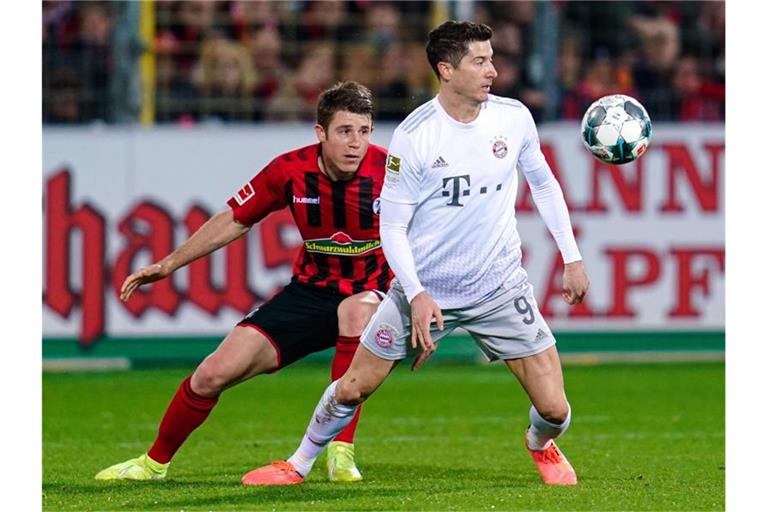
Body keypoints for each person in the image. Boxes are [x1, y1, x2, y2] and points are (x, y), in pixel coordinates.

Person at [242, 21, 590, 487]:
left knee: (555, 409)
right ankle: (299, 462)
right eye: (480, 61)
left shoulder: (513, 117)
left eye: (491, 59)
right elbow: (393, 224)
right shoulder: (417, 135)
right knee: (355, 385)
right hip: (423, 291)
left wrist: (571, 257)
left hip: (499, 287)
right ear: (446, 69)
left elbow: (543, 185)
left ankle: (540, 443)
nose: (493, 69)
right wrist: (417, 293)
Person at [95, 81, 392, 483]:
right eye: (344, 131)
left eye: (364, 131)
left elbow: (433, 234)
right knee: (212, 373)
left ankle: (340, 452)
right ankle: (153, 464)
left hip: (371, 293)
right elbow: (236, 218)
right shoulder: (290, 170)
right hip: (308, 294)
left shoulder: (392, 173)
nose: (355, 143)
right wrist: (168, 264)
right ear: (320, 133)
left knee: (355, 312)